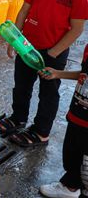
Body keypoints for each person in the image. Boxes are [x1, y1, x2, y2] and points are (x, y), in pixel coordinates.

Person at [0, 0, 88, 147]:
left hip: (54, 52)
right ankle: (18, 118)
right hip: (27, 48)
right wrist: (15, 39)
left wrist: (54, 53)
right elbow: (23, 12)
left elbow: (77, 29)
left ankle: (41, 132)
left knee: (48, 93)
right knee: (21, 86)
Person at [38, 46, 88, 198]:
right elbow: (84, 74)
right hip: (78, 113)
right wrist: (58, 74)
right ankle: (70, 186)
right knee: (72, 152)